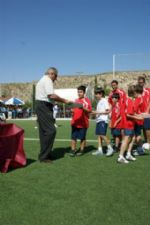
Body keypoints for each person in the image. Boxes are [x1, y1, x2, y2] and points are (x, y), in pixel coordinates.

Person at [35, 67, 71, 163]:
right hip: (44, 106)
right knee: (51, 131)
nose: (55, 79)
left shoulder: (42, 80)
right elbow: (51, 95)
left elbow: (49, 96)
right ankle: (44, 156)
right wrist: (64, 100)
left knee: (44, 132)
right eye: (55, 77)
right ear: (52, 74)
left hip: (41, 105)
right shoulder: (47, 80)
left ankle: (44, 154)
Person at [117, 86, 143, 164]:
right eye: (136, 92)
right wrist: (138, 118)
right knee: (126, 139)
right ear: (133, 93)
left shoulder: (129, 100)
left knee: (132, 138)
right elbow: (128, 114)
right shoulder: (129, 101)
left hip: (130, 123)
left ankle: (128, 154)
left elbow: (132, 113)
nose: (138, 94)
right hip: (128, 124)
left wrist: (139, 116)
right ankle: (121, 156)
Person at [70, 85, 92, 156]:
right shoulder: (75, 101)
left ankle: (82, 150)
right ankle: (73, 150)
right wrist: (72, 110)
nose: (79, 93)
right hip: (75, 122)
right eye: (78, 92)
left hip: (83, 123)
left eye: (80, 92)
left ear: (84, 93)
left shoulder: (87, 101)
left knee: (82, 138)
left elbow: (89, 111)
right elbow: (73, 110)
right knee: (73, 137)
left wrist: (82, 107)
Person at [92, 88, 114, 156]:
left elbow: (108, 111)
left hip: (103, 120)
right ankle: (100, 150)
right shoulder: (99, 101)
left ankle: (110, 148)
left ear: (101, 94)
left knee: (102, 134)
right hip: (99, 120)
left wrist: (97, 112)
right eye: (96, 94)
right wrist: (95, 114)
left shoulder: (104, 100)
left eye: (98, 94)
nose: (96, 95)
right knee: (99, 135)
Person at [138, 76, 150, 144]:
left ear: (144, 83)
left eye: (142, 82)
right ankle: (145, 141)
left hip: (146, 113)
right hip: (139, 114)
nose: (140, 84)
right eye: (139, 82)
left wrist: (147, 110)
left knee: (147, 128)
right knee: (143, 128)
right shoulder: (137, 91)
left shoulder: (148, 90)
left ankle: (148, 142)